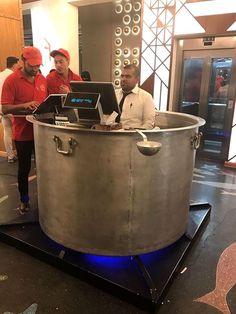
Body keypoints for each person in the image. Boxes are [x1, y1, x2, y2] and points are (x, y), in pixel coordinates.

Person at [1, 47, 47, 214]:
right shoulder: (11, 80)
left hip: (42, 131)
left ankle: (46, 198)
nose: (35, 69)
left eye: (38, 65)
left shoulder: (42, 79)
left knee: (45, 168)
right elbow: (5, 108)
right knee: (24, 168)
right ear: (23, 61)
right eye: (32, 65)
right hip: (23, 133)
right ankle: (24, 199)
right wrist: (24, 105)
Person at [115, 64, 156, 129]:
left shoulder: (146, 97)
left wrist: (134, 133)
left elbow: (148, 124)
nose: (123, 79)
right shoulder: (114, 93)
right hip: (110, 134)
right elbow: (105, 117)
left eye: (128, 76)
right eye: (122, 76)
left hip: (133, 136)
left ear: (137, 79)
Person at [0, 56, 20, 162]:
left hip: (1, 108)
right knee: (18, 130)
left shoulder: (0, 75)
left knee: (7, 131)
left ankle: (10, 156)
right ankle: (21, 153)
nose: (19, 66)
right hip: (11, 107)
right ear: (14, 65)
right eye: (18, 64)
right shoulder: (13, 76)